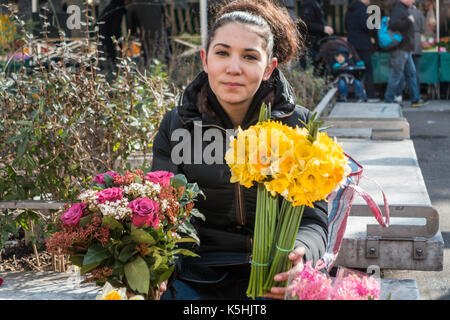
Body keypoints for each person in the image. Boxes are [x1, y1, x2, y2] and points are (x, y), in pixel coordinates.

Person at [152, 0, 328, 300]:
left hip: (274, 277)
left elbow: (313, 220)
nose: (233, 68)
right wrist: (159, 265)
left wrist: (302, 255)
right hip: (196, 276)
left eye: (249, 57)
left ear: (269, 67)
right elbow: (164, 214)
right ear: (205, 60)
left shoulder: (300, 126)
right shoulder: (176, 125)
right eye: (222, 53)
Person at [384, 0, 426, 107]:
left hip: (405, 48)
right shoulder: (398, 9)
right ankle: (389, 98)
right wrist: (409, 21)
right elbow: (393, 25)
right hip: (400, 48)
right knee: (397, 73)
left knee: (411, 73)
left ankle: (415, 99)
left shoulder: (402, 9)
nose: (413, 1)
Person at [345, 0, 377, 101]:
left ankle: (356, 95)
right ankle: (370, 95)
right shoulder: (363, 10)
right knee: (368, 70)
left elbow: (346, 26)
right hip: (363, 45)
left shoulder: (349, 10)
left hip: (351, 45)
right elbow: (367, 26)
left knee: (355, 70)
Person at [299, 0, 334, 66]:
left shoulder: (315, 3)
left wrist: (325, 27)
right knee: (311, 67)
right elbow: (306, 23)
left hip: (316, 43)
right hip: (311, 44)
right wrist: (323, 28)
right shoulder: (308, 4)